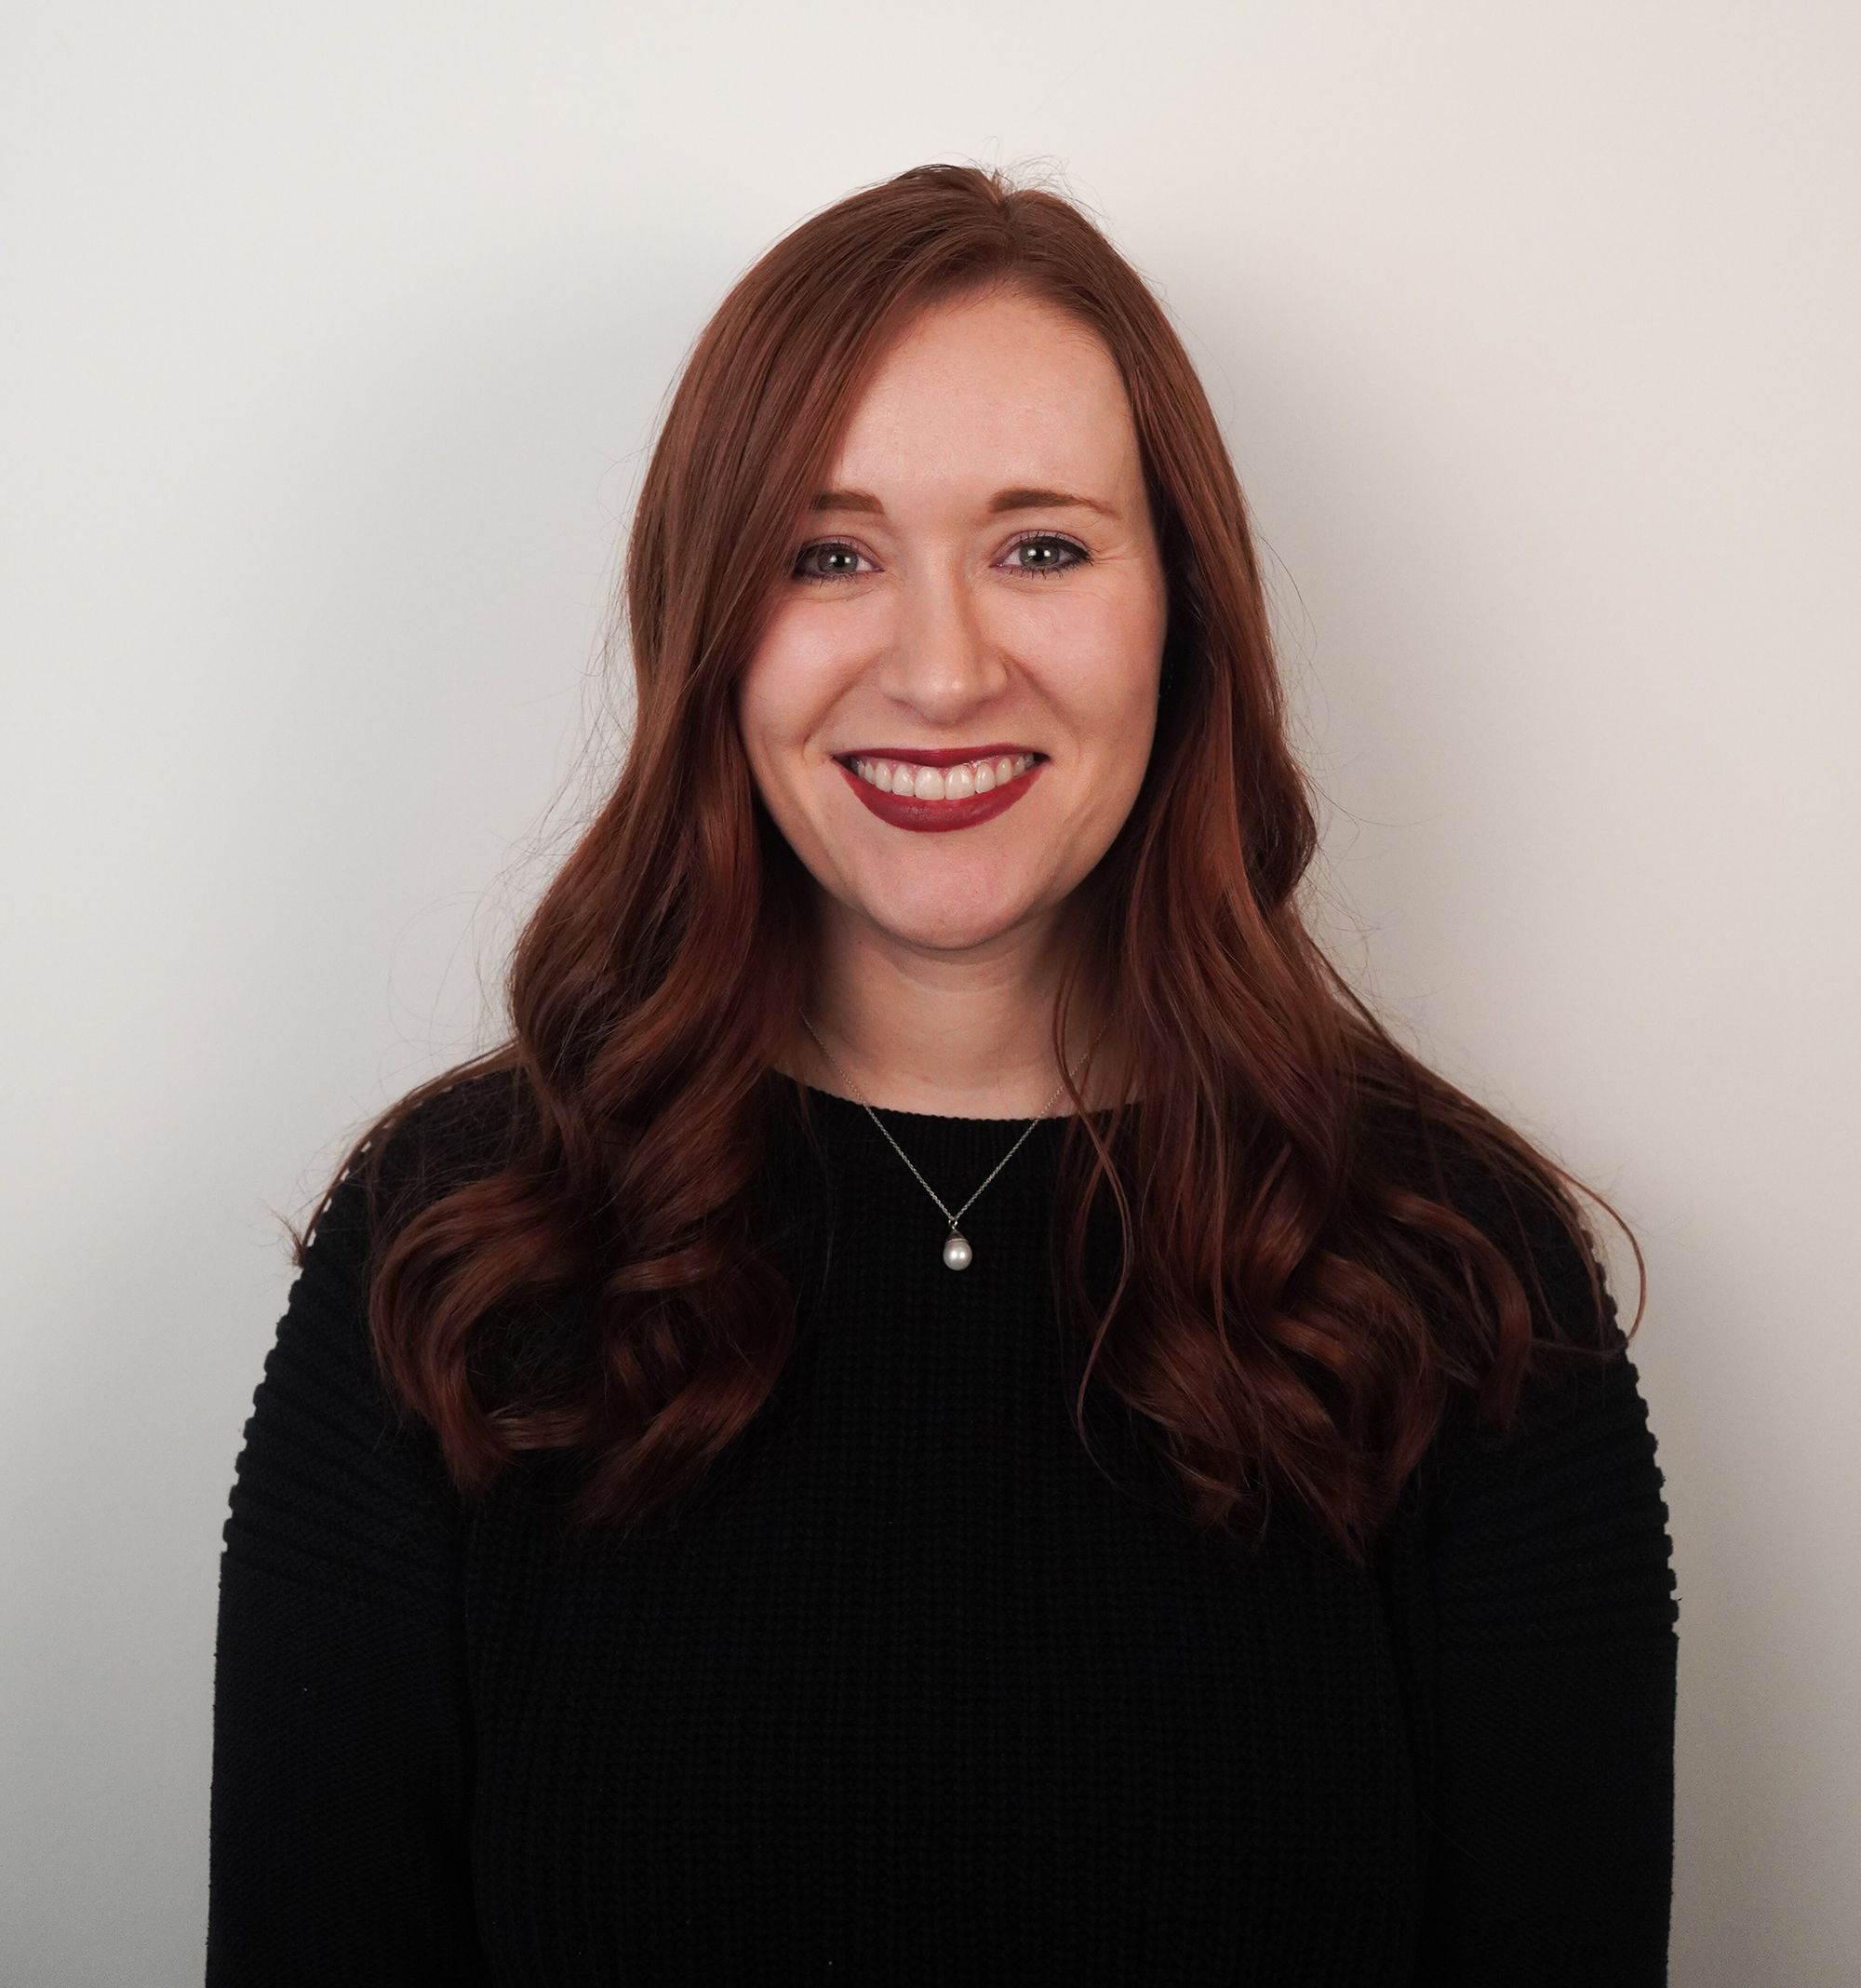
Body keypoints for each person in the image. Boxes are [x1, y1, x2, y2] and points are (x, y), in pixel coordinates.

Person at [207, 162, 1680, 1986]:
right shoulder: (457, 1248)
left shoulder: (1453, 1275)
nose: (940, 665)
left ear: (1184, 616)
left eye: (1039, 546)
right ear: (710, 634)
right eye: (828, 554)